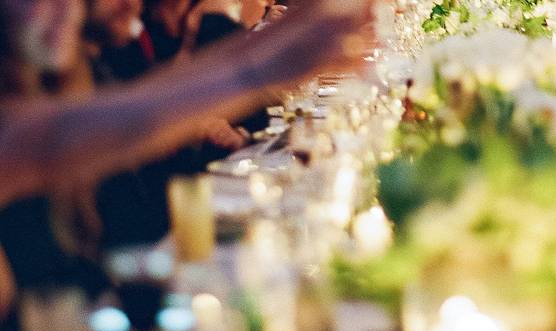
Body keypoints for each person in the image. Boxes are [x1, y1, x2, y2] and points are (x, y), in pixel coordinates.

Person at [0, 0, 374, 207]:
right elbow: (45, 141)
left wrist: (290, 38)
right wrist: (264, 67)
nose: (67, 8)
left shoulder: (72, 76)